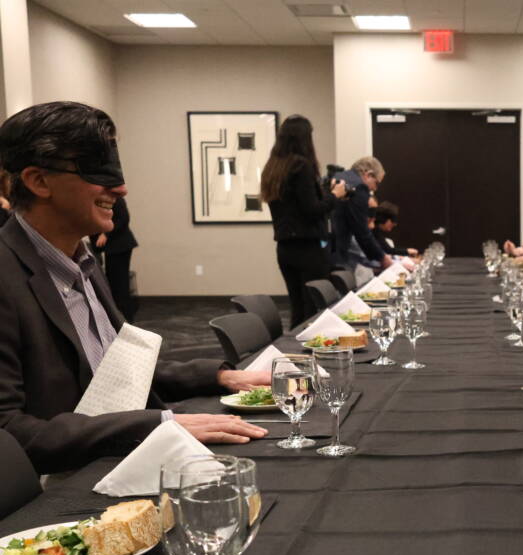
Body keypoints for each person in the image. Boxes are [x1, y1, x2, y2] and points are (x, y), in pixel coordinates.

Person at [0, 101, 268, 474]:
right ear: (38, 181)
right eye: (98, 169)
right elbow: (8, 434)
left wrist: (221, 376)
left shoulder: (84, 262)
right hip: (60, 488)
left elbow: (120, 371)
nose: (122, 188)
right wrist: (154, 426)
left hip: (122, 460)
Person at [262, 114, 348, 328]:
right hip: (308, 250)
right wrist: (334, 196)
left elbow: (298, 206)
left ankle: (294, 357)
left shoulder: (274, 168)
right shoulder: (301, 167)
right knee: (312, 312)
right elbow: (312, 210)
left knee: (298, 309)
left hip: (285, 249)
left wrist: (324, 194)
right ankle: (307, 358)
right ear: (304, 138)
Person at [330, 156, 392, 271]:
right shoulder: (359, 187)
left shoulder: (339, 177)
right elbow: (361, 230)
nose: (374, 189)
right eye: (376, 183)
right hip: (336, 253)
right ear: (368, 175)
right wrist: (382, 258)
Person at [89, 197, 137, 321]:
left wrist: (106, 234)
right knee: (114, 283)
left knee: (119, 284)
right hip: (112, 247)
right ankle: (122, 318)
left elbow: (123, 218)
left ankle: (125, 319)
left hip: (120, 245)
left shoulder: (115, 198)